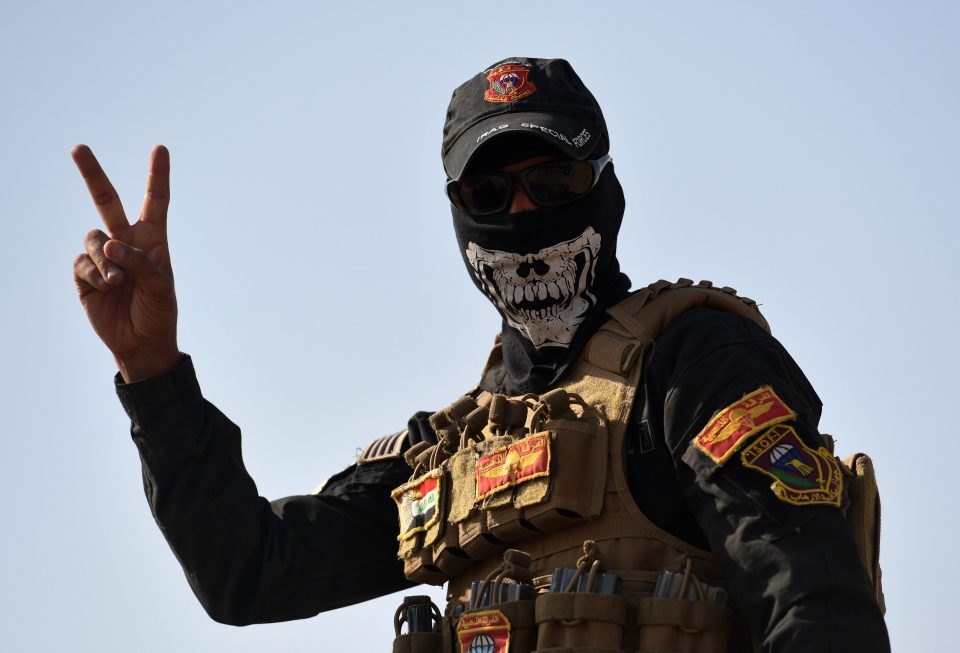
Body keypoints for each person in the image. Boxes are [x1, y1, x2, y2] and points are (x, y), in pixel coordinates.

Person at [72, 57, 889, 652]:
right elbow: (248, 570)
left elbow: (815, 603)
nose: (524, 210)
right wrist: (154, 375)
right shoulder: (454, 447)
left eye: (555, 181)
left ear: (604, 185)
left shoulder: (694, 361)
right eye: (490, 195)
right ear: (459, 214)